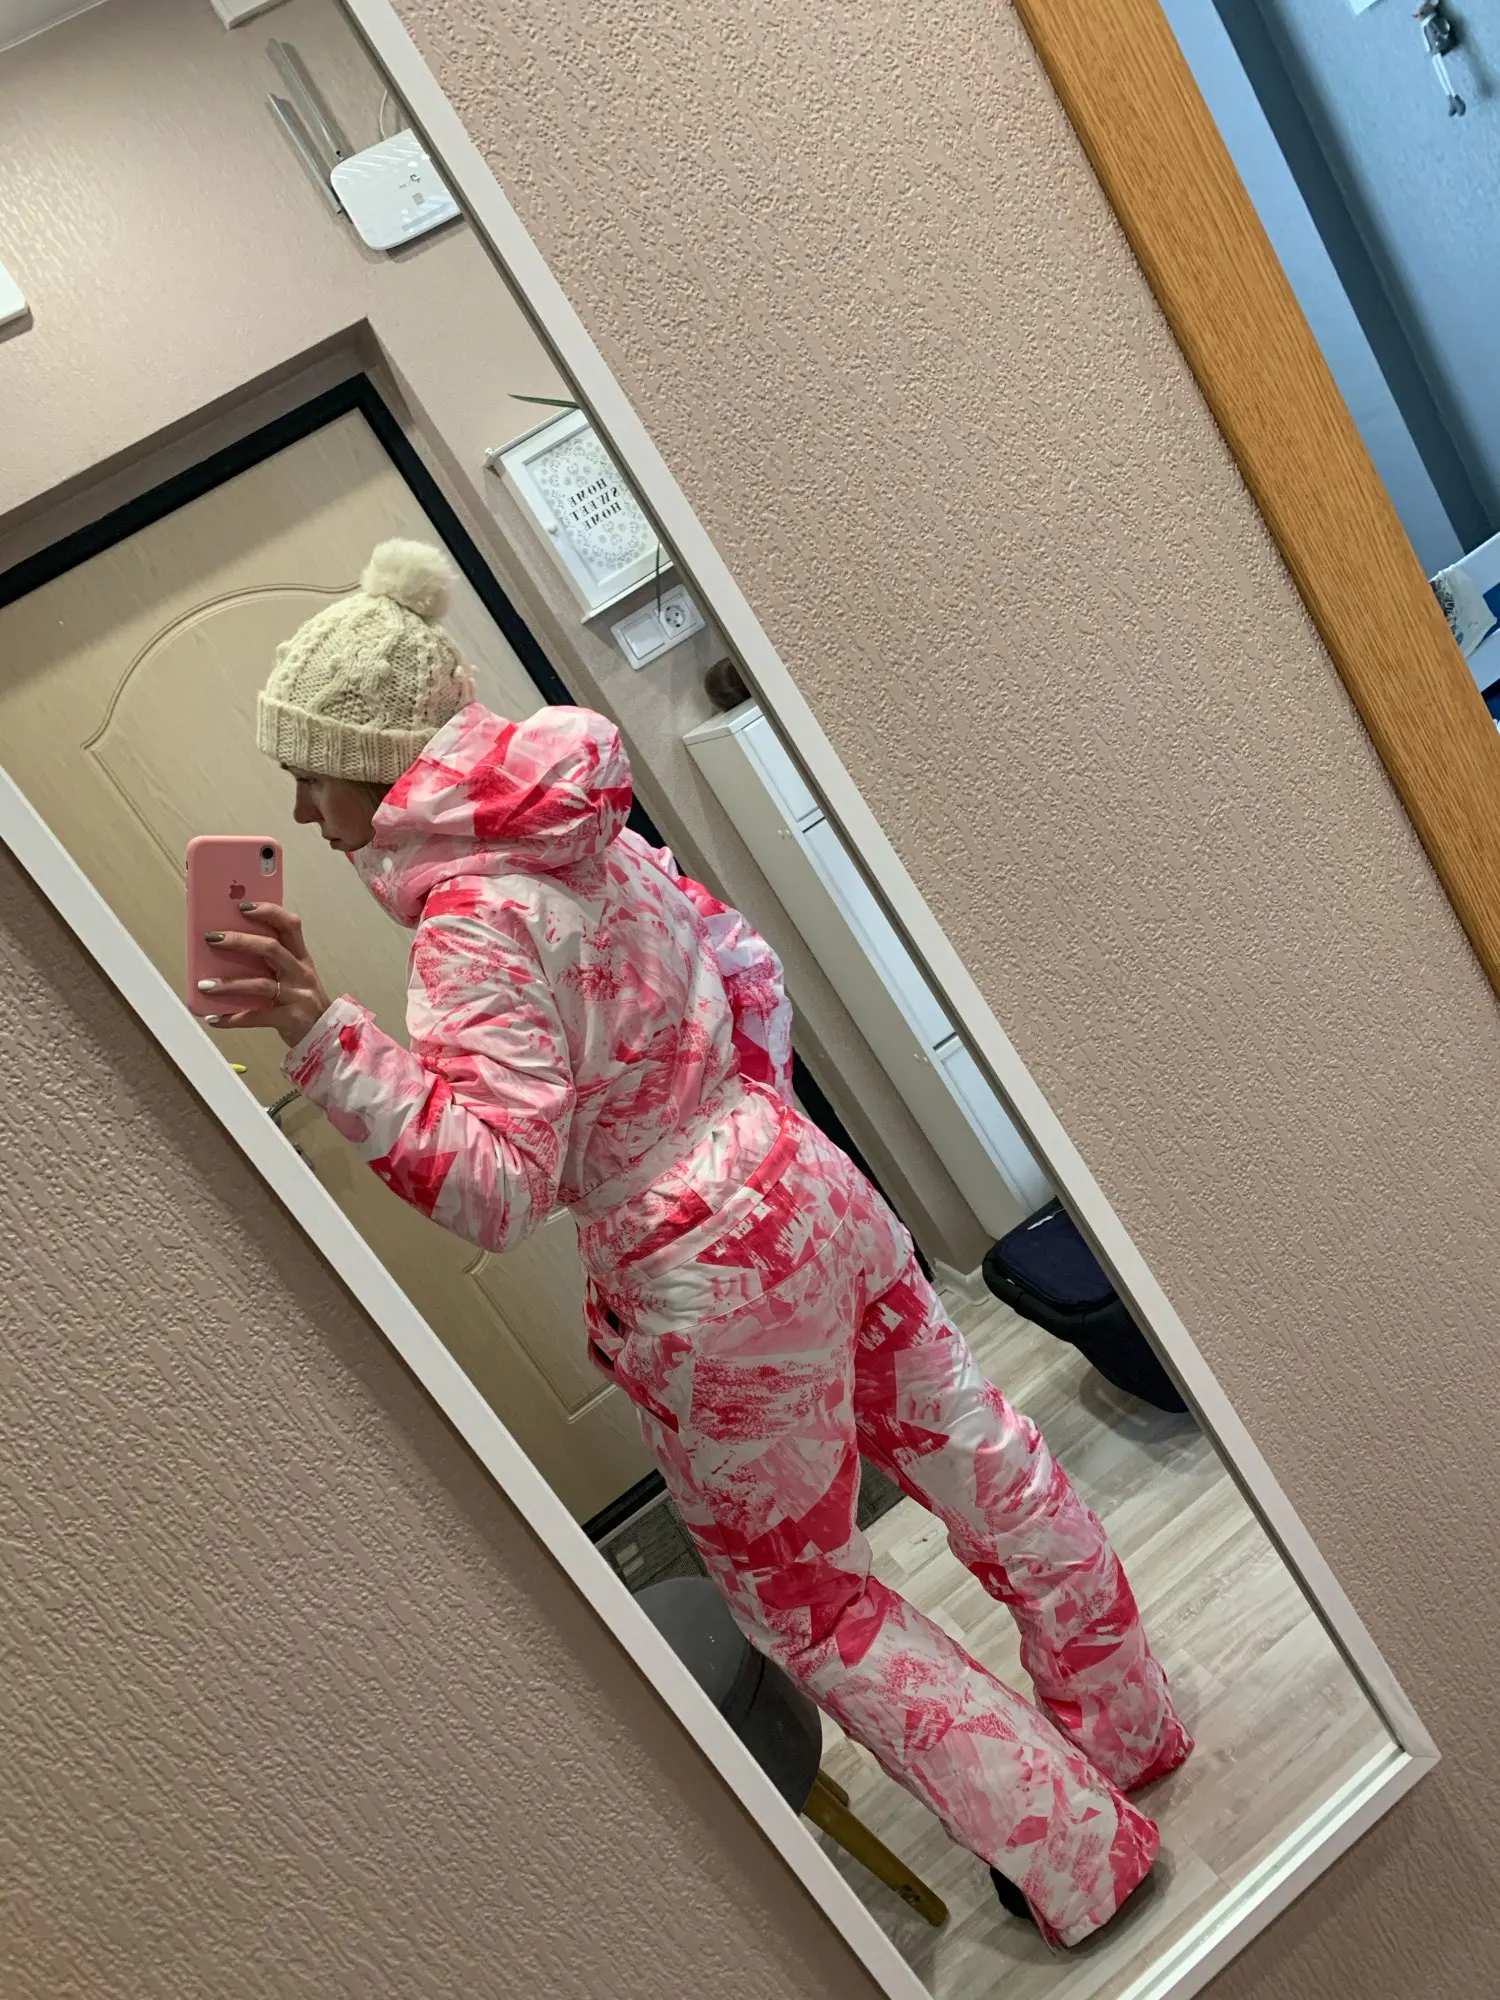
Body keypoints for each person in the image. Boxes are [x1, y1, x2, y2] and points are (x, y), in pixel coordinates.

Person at [204, 539, 1191, 1946]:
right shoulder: (586, 829)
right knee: (980, 1454)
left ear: (382, 763)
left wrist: (321, 1036)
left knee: (806, 1601)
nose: (302, 809)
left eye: (313, 772)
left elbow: (497, 1191)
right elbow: (748, 971)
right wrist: (748, 1140)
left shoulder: (471, 919)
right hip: (804, 1183)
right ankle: (1128, 1727)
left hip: (700, 1273)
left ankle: (1078, 1852)